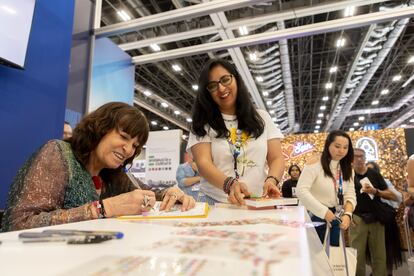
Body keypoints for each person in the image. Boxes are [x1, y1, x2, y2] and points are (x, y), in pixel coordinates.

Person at [2, 102, 195, 232]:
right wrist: (103, 209)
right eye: (124, 137)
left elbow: (148, 193)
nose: (128, 149)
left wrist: (172, 193)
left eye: (135, 146)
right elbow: (19, 224)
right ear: (101, 128)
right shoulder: (58, 153)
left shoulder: (114, 174)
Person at [188, 59, 285, 206]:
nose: (221, 88)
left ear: (236, 79)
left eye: (225, 79)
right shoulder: (202, 123)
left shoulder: (261, 117)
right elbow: (203, 163)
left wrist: (272, 180)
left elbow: (276, 157)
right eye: (213, 86)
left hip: (257, 202)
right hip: (214, 202)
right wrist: (230, 184)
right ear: (207, 92)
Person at [296, 130, 356, 246]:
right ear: (328, 145)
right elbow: (301, 190)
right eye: (337, 146)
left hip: (334, 216)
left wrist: (348, 214)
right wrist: (323, 212)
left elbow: (350, 194)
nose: (341, 151)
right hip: (312, 216)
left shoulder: (347, 168)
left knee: (332, 256)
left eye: (345, 147)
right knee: (314, 257)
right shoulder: (315, 163)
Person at [351, 148, 397, 276]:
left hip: (376, 218)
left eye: (361, 156)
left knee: (379, 255)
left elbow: (391, 195)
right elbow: (342, 198)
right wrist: (347, 215)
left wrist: (375, 191)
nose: (359, 159)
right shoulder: (347, 175)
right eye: (355, 156)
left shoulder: (374, 174)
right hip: (357, 218)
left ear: (365, 158)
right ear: (351, 158)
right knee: (357, 256)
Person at [365, 161, 403, 275]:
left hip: (385, 222)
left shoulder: (384, 182)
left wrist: (378, 193)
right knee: (371, 249)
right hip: (369, 221)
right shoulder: (361, 184)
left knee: (388, 248)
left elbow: (397, 197)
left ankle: (388, 272)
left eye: (372, 170)